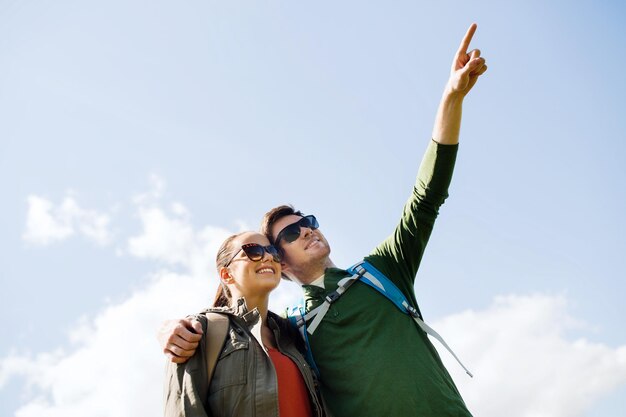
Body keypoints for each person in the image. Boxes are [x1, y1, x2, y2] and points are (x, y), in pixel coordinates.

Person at [160, 23, 487, 416]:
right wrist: (169, 330)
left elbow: (426, 195)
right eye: (291, 233)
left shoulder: (382, 273)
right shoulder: (291, 331)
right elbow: (236, 326)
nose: (307, 230)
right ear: (279, 264)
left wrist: (451, 98)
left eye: (308, 221)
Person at [163, 231, 328, 417]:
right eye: (253, 250)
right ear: (226, 275)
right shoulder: (199, 330)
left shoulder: (293, 335)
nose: (267, 256)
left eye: (272, 251)